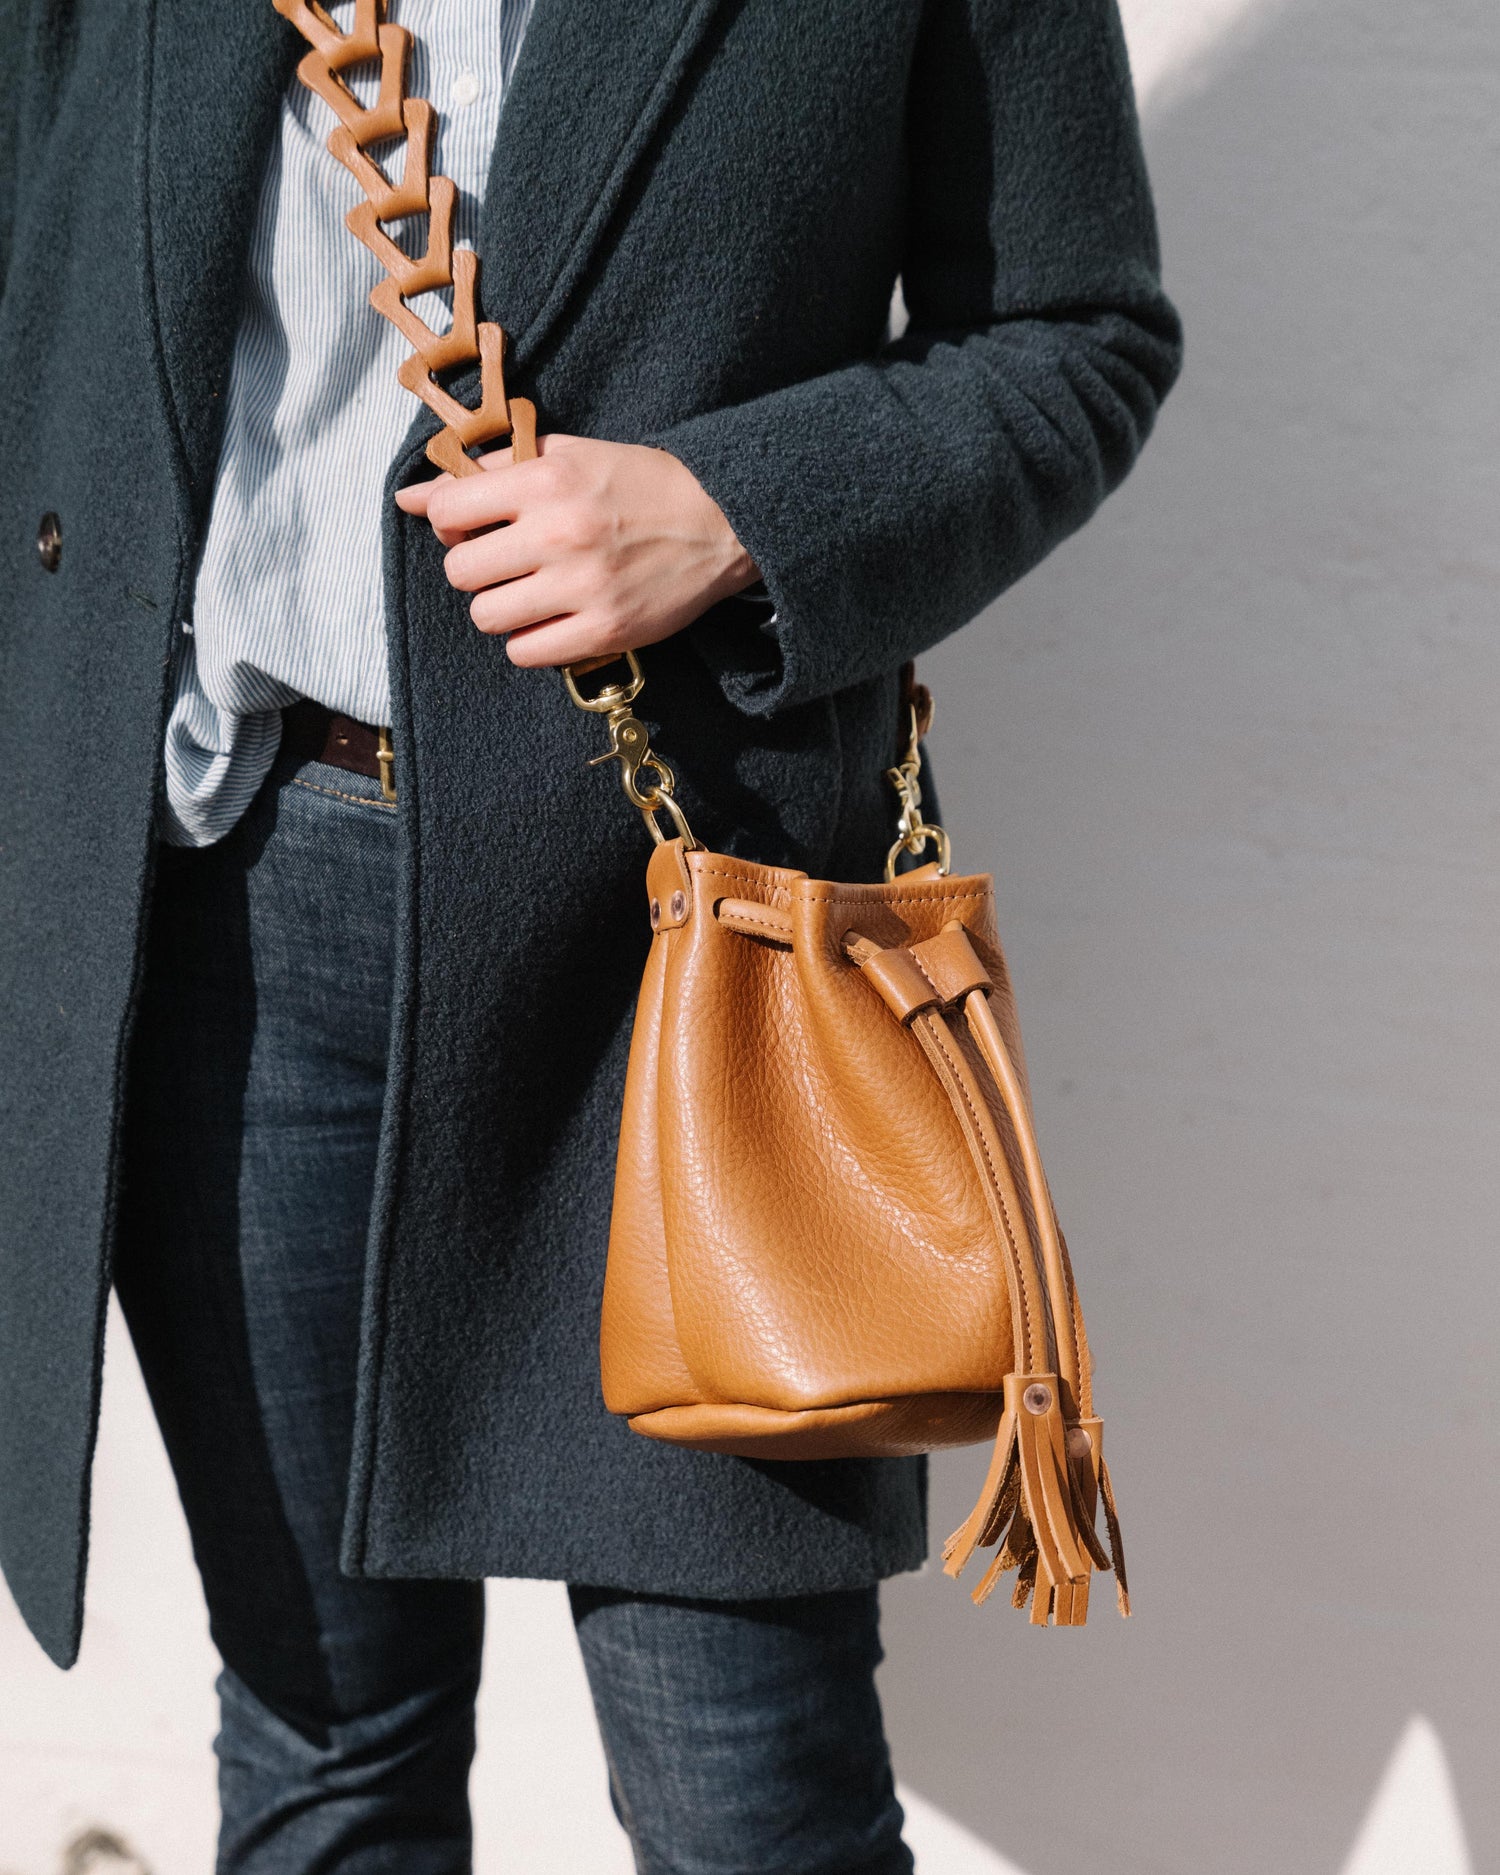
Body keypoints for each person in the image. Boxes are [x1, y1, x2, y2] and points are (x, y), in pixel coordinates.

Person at [0, 0, 1181, 1868]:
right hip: (221, 894)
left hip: (680, 956)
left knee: (752, 1804)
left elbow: (1076, 336)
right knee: (324, 1755)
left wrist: (733, 513)